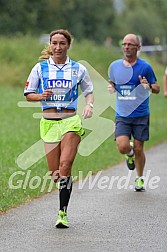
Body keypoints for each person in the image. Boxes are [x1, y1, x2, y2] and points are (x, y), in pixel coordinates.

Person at [24, 29, 94, 228]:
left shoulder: (78, 69)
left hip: (70, 121)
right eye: (54, 43)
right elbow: (28, 93)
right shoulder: (40, 68)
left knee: (65, 165)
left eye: (62, 43)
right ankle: (63, 192)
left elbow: (89, 91)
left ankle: (62, 212)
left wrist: (89, 105)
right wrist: (40, 96)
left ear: (68, 45)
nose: (58, 47)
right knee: (55, 174)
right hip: (48, 122)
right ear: (50, 45)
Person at [108, 33, 160, 192]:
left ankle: (139, 178)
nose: (126, 47)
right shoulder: (115, 66)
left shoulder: (145, 67)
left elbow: (157, 88)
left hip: (140, 114)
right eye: (124, 44)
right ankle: (128, 154)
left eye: (130, 44)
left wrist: (148, 87)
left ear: (138, 47)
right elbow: (113, 82)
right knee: (122, 146)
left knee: (139, 148)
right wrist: (111, 87)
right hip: (122, 115)